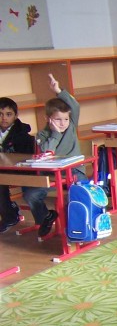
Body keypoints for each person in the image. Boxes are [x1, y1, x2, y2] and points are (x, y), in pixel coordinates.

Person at [28, 74, 85, 237]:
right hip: (52, 176)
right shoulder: (42, 135)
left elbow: (75, 106)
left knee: (75, 196)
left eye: (65, 119)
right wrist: (55, 133)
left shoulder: (71, 126)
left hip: (74, 172)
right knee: (31, 195)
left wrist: (58, 90)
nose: (63, 123)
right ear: (47, 119)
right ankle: (46, 217)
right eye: (58, 119)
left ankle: (74, 229)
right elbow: (48, 151)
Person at [0, 97, 35, 233]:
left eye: (8, 114)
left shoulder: (22, 134)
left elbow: (26, 157)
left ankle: (10, 216)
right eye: (0, 114)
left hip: (19, 170)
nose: (4, 118)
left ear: (15, 116)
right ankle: (10, 212)